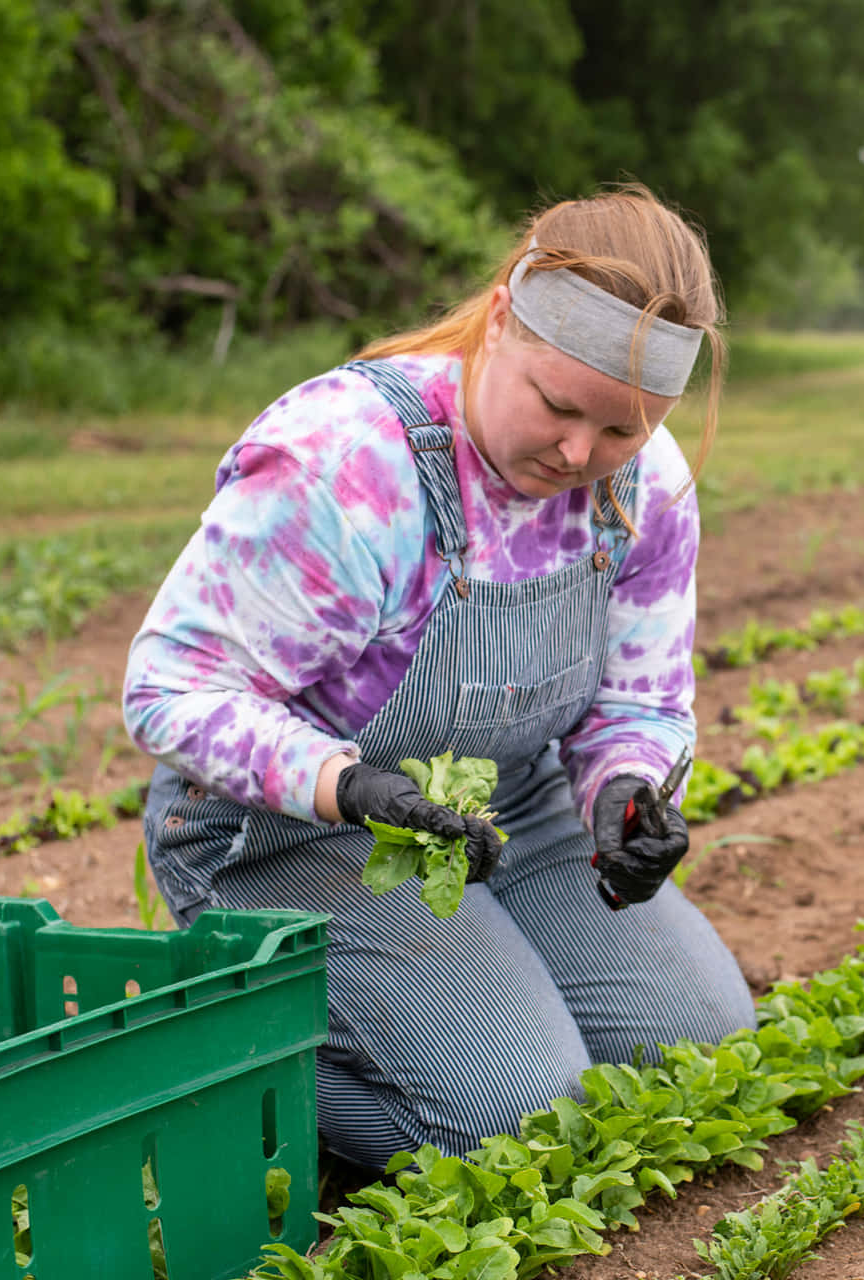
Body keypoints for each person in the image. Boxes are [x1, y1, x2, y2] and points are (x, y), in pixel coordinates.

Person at [122, 186, 756, 1168]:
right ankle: (224, 1052)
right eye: (556, 405)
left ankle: (477, 997)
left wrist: (627, 790)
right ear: (501, 317)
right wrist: (346, 783)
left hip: (505, 807)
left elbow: (641, 698)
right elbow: (170, 687)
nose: (581, 454)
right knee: (518, 1121)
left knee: (696, 1049)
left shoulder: (647, 483)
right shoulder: (347, 459)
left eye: (622, 429)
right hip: (286, 828)